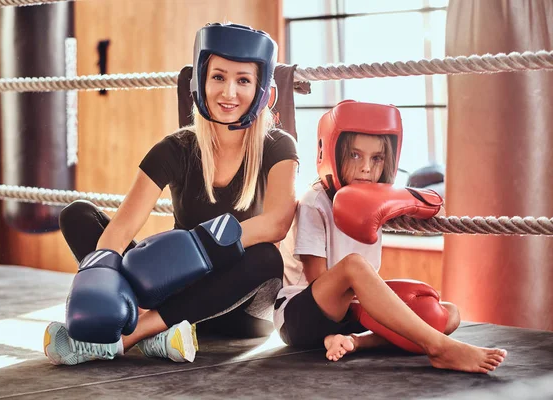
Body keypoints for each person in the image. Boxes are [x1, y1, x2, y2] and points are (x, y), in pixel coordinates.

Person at [43, 22, 298, 366]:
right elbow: (122, 227)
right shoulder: (176, 148)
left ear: (261, 90)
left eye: (243, 80)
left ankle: (130, 336)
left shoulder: (278, 145)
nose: (229, 93)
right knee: (78, 215)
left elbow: (278, 222)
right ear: (201, 82)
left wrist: (197, 245)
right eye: (219, 77)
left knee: (267, 257)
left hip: (241, 307)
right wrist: (98, 280)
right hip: (179, 289)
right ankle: (160, 333)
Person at [273, 100, 507, 373]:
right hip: (301, 315)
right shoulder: (315, 201)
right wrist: (374, 310)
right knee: (354, 265)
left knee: (447, 314)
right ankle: (439, 348)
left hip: (347, 316)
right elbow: (317, 279)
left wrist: (412, 201)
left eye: (377, 158)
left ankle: (354, 343)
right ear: (332, 153)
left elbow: (439, 212)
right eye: (355, 155)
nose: (366, 169)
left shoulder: (375, 198)